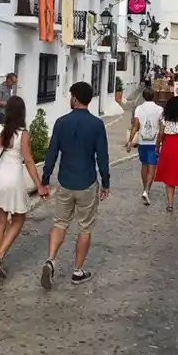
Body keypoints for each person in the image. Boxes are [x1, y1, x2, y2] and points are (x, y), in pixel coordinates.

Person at [40, 82, 110, 289]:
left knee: (60, 222)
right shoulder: (97, 125)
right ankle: (77, 271)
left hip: (65, 181)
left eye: (71, 95)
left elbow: (52, 153)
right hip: (87, 182)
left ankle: (51, 260)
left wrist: (45, 180)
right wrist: (106, 182)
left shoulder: (61, 123)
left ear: (76, 98)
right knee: (85, 227)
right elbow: (102, 157)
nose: (69, 98)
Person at [0, 96, 48, 279]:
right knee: (18, 219)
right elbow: (28, 161)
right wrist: (39, 186)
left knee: (0, 222)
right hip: (13, 180)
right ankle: (0, 255)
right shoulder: (23, 134)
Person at [126, 88, 163, 205]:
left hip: (142, 141)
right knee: (152, 168)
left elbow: (135, 126)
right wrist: (161, 141)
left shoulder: (139, 109)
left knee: (144, 166)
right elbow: (162, 129)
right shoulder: (159, 109)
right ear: (154, 96)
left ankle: (145, 189)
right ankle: (147, 190)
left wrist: (130, 141)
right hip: (154, 142)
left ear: (143, 96)